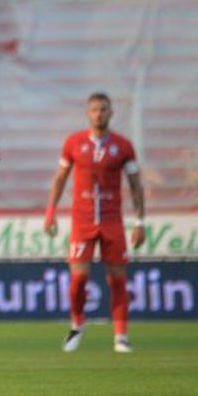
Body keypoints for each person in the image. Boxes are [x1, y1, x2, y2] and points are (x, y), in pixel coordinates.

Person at [43, 93, 146, 353]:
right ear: (87, 114)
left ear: (111, 113)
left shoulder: (123, 146)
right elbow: (60, 179)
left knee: (118, 281)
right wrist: (51, 212)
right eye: (94, 110)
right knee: (78, 280)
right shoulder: (74, 143)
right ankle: (77, 325)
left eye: (103, 109)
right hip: (83, 220)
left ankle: (121, 336)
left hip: (112, 220)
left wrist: (140, 221)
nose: (99, 114)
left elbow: (136, 185)